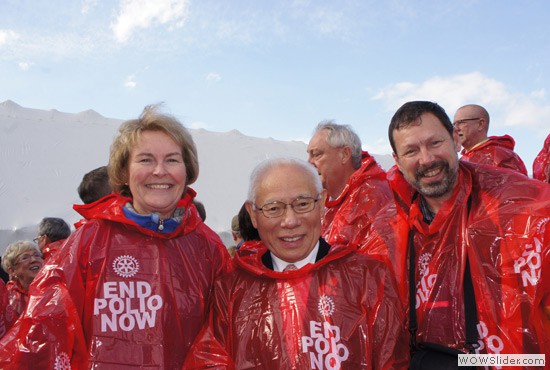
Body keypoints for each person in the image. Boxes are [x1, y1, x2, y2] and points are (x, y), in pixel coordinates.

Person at [0, 105, 230, 369]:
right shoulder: (86, 244)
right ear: (124, 172)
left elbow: (226, 339)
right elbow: (41, 337)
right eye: (145, 160)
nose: (159, 171)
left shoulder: (209, 248)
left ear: (187, 171)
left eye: (172, 159)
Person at [184, 157, 408, 369]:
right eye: (273, 208)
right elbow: (210, 360)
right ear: (253, 214)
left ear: (322, 205)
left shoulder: (368, 278)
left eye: (302, 204)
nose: (290, 221)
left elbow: (391, 360)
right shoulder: (232, 287)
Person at [387, 101, 549, 359]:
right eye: (411, 151)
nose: (427, 159)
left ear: (454, 139)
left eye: (435, 143)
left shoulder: (514, 206)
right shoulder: (390, 221)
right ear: (397, 160)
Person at [307, 121, 392, 249]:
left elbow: (376, 265)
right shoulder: (326, 200)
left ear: (344, 155)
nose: (309, 163)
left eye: (316, 154)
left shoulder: (372, 198)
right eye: (309, 155)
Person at [453, 104, 528, 175]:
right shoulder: (460, 161)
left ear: (480, 124)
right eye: (454, 124)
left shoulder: (502, 156)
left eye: (461, 122)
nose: (455, 129)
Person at [1, 241, 44, 332]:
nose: (33, 260)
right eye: (25, 257)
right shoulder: (7, 296)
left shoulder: (55, 289)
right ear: (12, 270)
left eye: (37, 255)